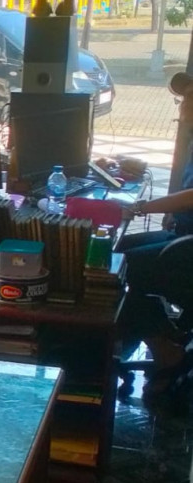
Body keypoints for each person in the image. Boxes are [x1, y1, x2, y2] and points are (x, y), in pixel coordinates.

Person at [114, 72, 193, 392]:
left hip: (187, 247)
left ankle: (165, 350)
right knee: (118, 248)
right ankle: (160, 331)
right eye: (183, 98)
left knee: (117, 270)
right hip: (183, 236)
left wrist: (141, 208)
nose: (184, 105)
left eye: (190, 98)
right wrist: (173, 212)